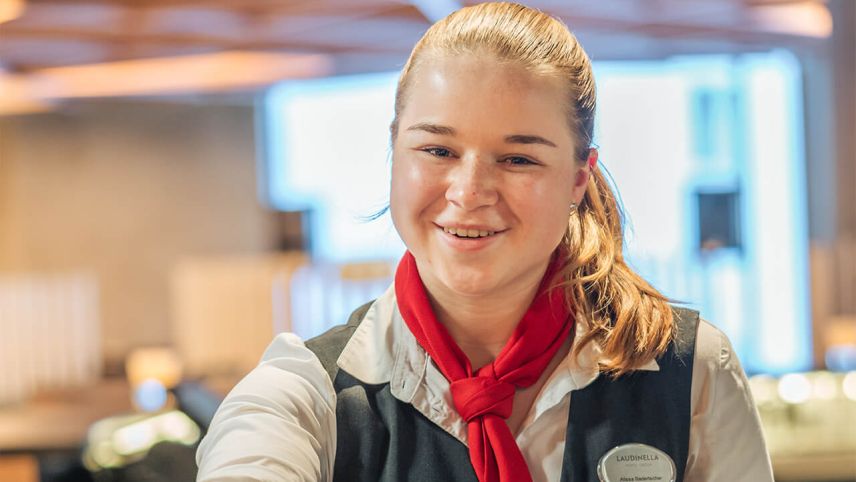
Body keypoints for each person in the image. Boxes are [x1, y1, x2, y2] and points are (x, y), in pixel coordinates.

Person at [196, 3, 774, 481]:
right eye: (438, 151)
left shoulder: (690, 372)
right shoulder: (305, 396)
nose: (470, 192)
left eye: (518, 158)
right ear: (394, 152)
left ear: (579, 178)